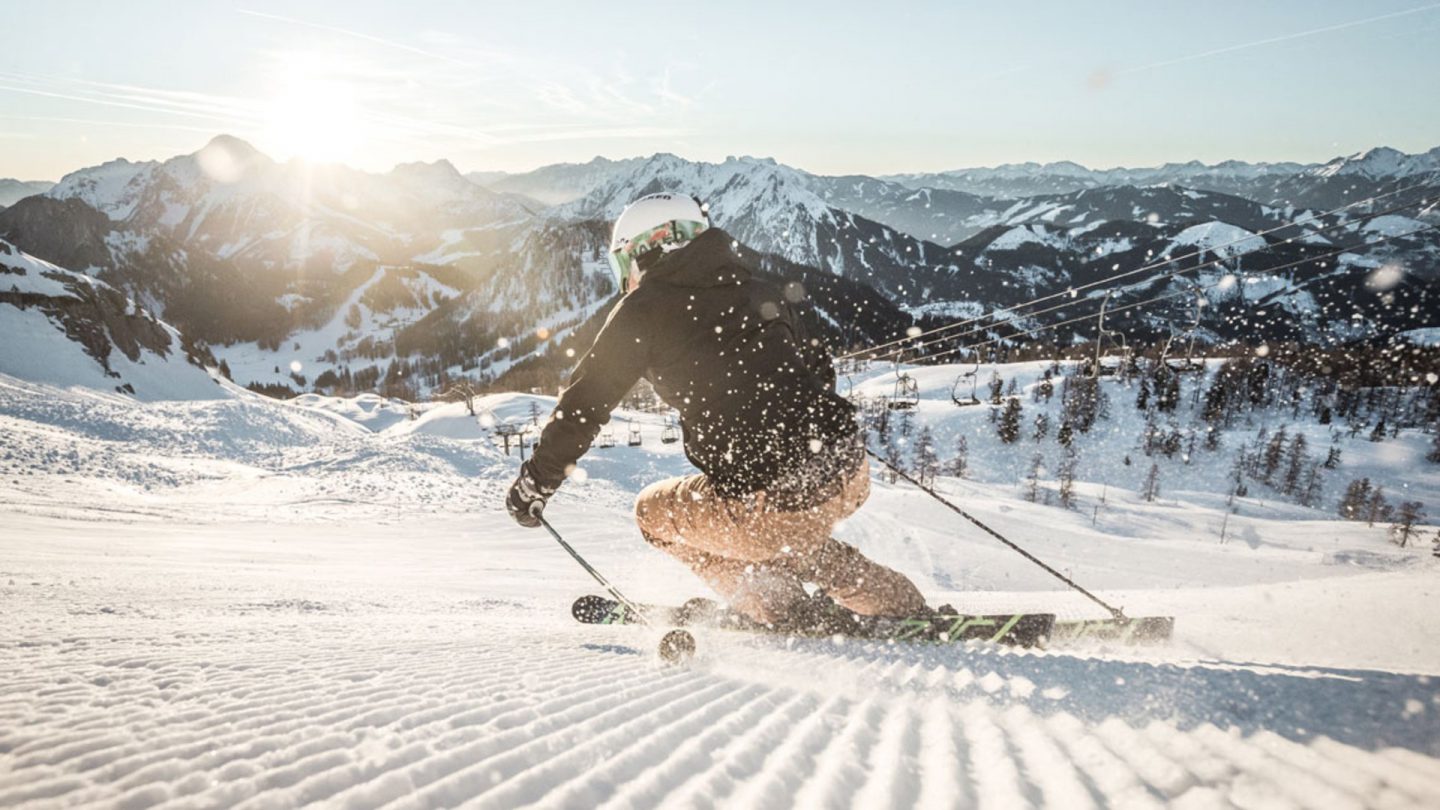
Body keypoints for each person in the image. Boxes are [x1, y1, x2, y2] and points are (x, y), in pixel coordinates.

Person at [506, 192, 926, 628]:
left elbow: (584, 405)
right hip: (846, 471)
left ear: (646, 248)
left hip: (767, 501)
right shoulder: (762, 288)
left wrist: (537, 482)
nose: (625, 277)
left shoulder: (642, 309)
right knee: (794, 534)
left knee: (653, 515)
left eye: (623, 262)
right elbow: (817, 370)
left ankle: (770, 605)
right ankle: (896, 601)